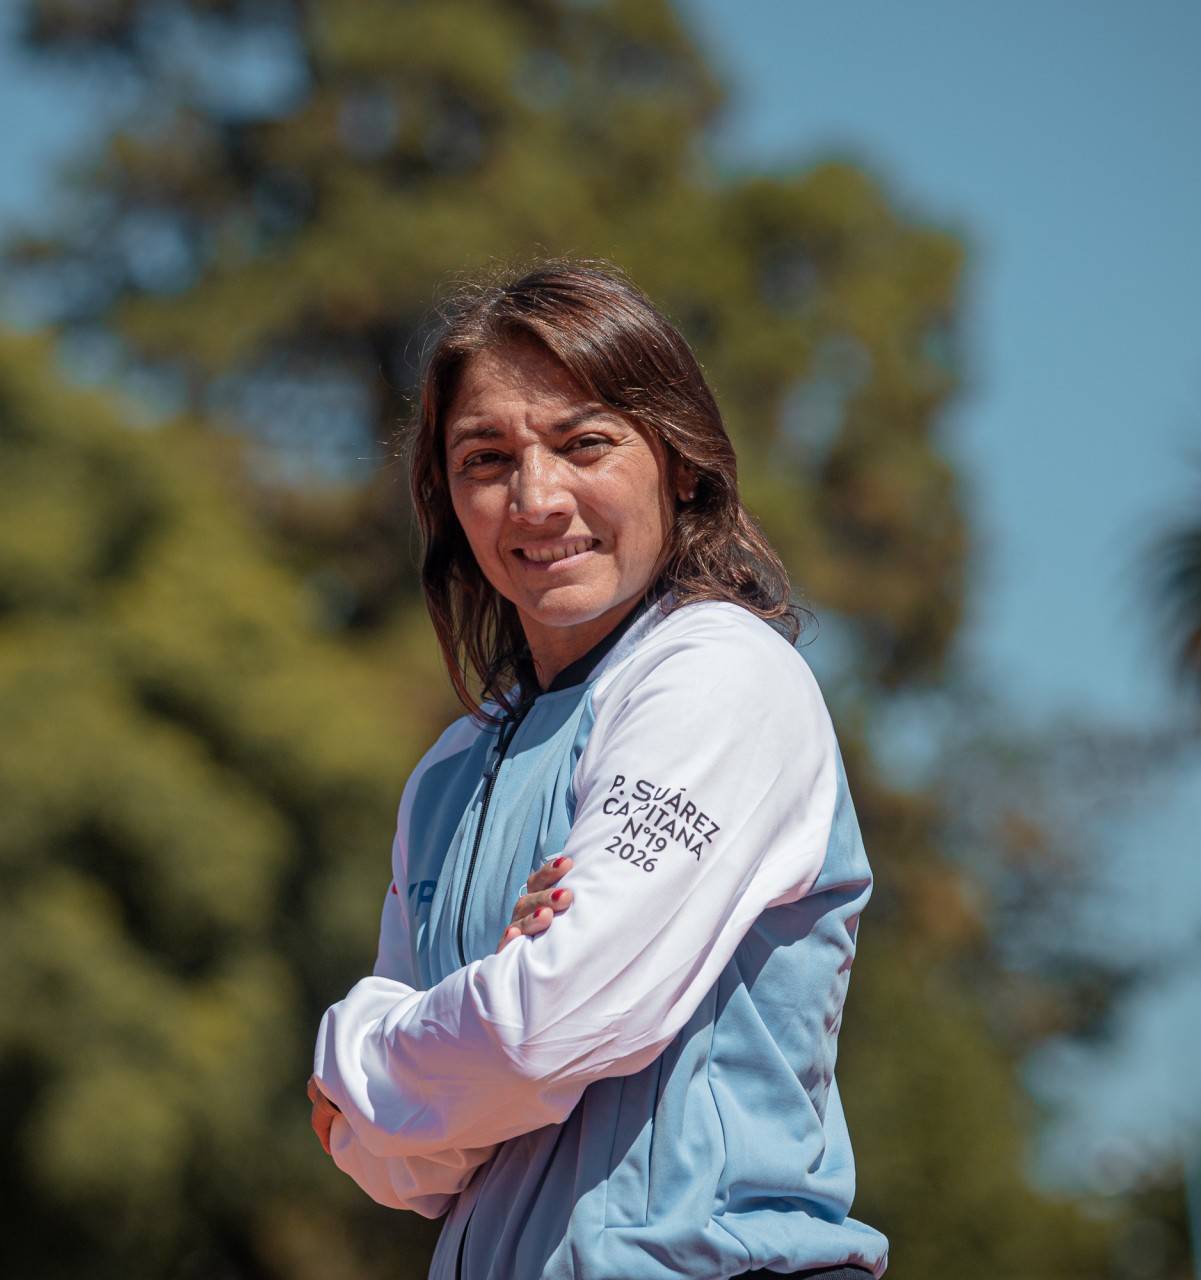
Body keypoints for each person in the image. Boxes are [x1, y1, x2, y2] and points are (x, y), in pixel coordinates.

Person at [306, 263, 886, 1280]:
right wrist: (479, 1020)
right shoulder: (448, 774)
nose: (536, 497)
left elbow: (549, 1022)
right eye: (487, 458)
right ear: (446, 494)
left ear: (683, 464)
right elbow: (404, 1169)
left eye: (584, 443)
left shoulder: (720, 672)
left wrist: (358, 1044)